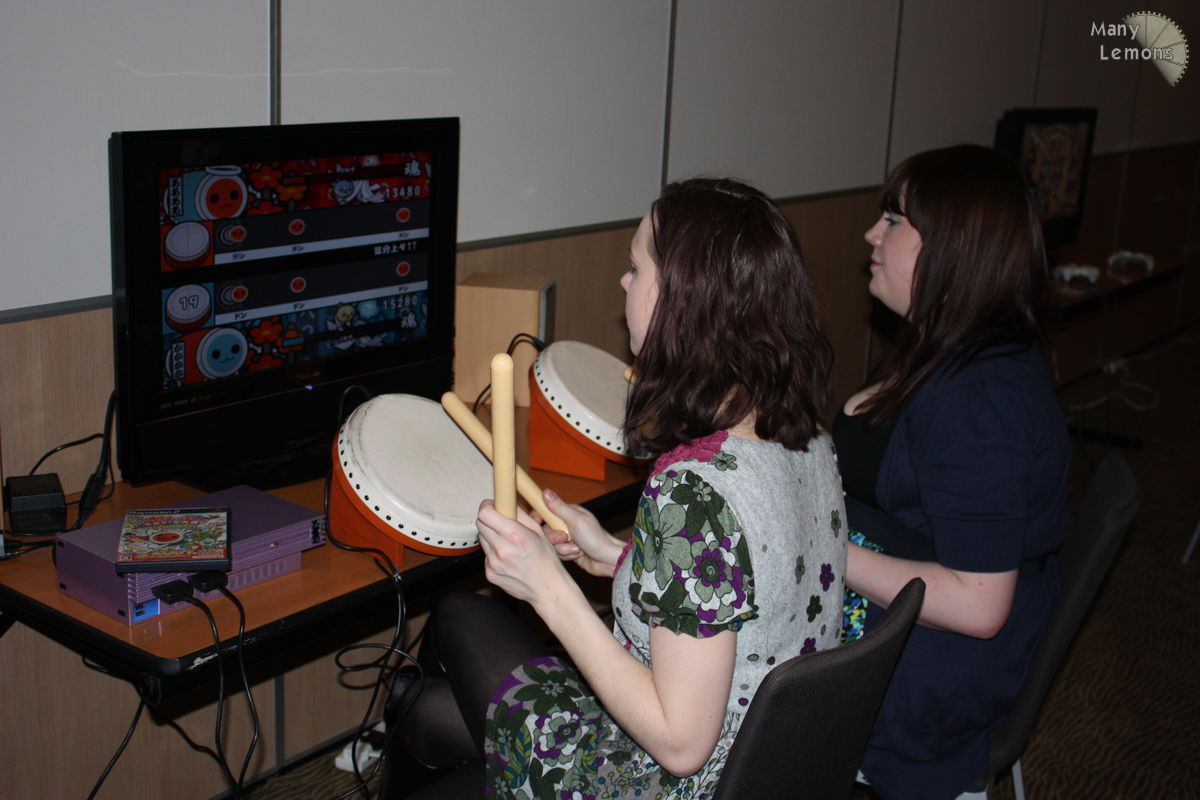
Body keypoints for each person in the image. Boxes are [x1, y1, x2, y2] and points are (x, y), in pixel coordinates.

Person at [404, 177, 848, 799]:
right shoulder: (805, 436)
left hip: (663, 779)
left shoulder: (693, 494)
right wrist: (618, 556)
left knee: (457, 614)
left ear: (684, 300)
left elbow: (680, 744)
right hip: (769, 765)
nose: (622, 281)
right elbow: (744, 590)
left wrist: (548, 587)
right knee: (429, 712)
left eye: (636, 268)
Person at [835, 144, 1070, 799]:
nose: (871, 234)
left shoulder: (978, 397)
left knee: (712, 658)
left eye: (893, 220)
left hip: (929, 673)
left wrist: (823, 548)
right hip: (901, 617)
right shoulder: (950, 348)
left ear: (953, 249)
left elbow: (977, 604)